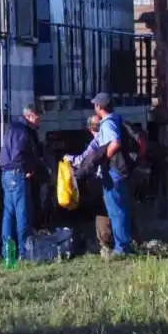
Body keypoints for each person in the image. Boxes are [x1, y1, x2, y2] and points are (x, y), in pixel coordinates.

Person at [89, 92, 135, 257]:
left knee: (116, 210)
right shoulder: (117, 118)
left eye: (95, 104)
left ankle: (121, 248)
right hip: (120, 169)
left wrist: (104, 158)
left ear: (99, 106)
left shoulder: (107, 123)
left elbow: (115, 142)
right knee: (121, 208)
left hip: (113, 170)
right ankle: (125, 243)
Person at [0, 103, 44, 260]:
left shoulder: (14, 128)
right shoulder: (23, 131)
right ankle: (24, 253)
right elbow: (17, 155)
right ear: (30, 115)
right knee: (22, 213)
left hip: (7, 175)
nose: (39, 120)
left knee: (9, 215)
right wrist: (29, 169)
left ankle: (8, 253)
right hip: (17, 174)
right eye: (38, 116)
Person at [65, 115, 115, 257]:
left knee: (101, 209)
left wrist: (69, 158)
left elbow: (83, 160)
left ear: (89, 128)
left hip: (101, 179)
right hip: (113, 176)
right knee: (115, 209)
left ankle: (104, 242)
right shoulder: (107, 137)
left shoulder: (96, 141)